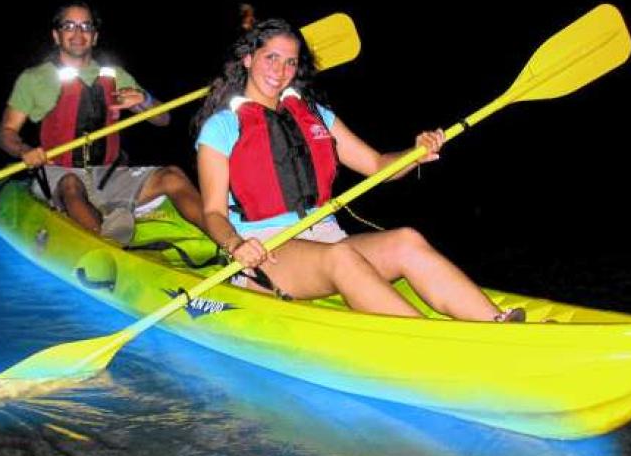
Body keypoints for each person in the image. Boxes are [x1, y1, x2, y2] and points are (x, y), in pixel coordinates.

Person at [192, 18, 523, 322]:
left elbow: (378, 166)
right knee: (341, 258)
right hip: (267, 251)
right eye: (271, 58)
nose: (280, 71)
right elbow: (213, 213)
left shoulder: (313, 115)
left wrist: (414, 154)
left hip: (326, 237)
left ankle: (497, 324)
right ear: (248, 59)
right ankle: (430, 342)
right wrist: (236, 245)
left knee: (406, 241)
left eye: (290, 62)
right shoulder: (221, 128)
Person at [0, 1, 205, 244]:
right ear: (56, 35)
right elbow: (7, 132)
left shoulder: (114, 76)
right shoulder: (34, 79)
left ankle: (230, 243)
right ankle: (106, 246)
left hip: (108, 175)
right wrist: (24, 150)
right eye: (69, 26)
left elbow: (163, 119)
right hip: (59, 172)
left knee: (173, 176)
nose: (78, 33)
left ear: (94, 37)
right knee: (71, 185)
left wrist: (145, 100)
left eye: (86, 26)